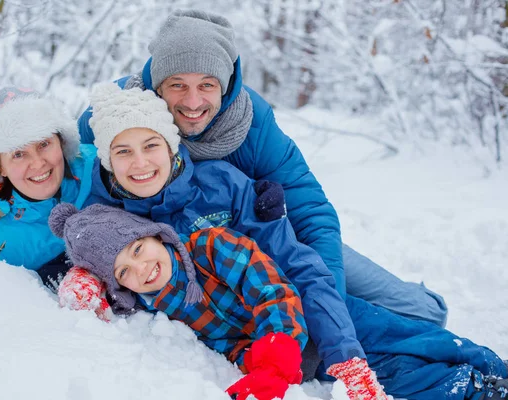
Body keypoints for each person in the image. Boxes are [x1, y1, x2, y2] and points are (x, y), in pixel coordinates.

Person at [77, 9, 448, 327]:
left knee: (417, 312)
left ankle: (418, 311)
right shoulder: (117, 114)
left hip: (272, 235)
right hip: (204, 256)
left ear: (225, 86)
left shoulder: (251, 121)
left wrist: (327, 297)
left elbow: (309, 207)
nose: (193, 102)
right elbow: (76, 192)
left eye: (207, 85)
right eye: (177, 85)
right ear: (158, 86)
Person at [49, 203, 508, 400]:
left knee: (415, 337)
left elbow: (269, 288)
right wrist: (254, 362)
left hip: (321, 318)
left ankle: (488, 364)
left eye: (136, 250)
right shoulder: (158, 307)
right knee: (395, 375)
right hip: (302, 360)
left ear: (151, 234)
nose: (141, 268)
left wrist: (274, 353)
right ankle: (472, 390)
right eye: (124, 273)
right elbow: (225, 342)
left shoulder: (207, 245)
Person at [0, 86, 97, 290]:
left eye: (44, 144)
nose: (37, 163)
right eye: (18, 154)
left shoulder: (100, 169)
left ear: (61, 142)